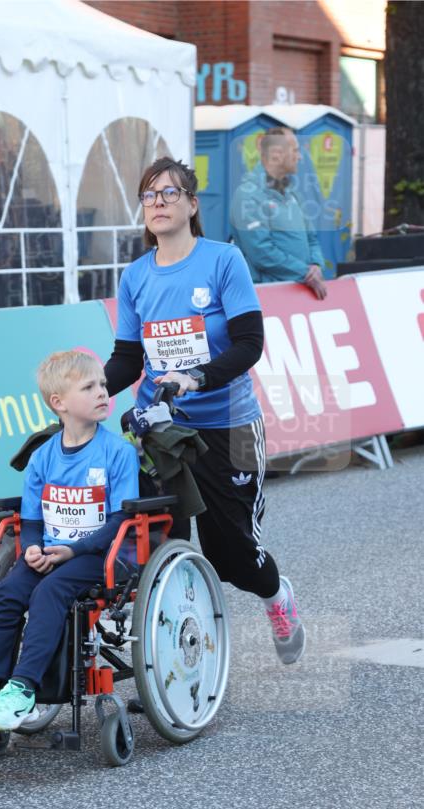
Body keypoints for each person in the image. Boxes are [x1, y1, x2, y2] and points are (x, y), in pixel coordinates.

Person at [104, 155, 306, 668]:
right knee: (154, 540)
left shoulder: (222, 260)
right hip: (162, 428)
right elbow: (129, 359)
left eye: (169, 193)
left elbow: (249, 343)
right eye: (149, 195)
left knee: (231, 557)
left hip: (230, 425)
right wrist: (89, 392)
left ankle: (275, 596)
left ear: (192, 205)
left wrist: (197, 377)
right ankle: (172, 648)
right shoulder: (135, 276)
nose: (158, 203)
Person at [0, 350, 139, 738]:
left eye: (103, 385)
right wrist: (31, 547)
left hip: (99, 555)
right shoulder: (43, 457)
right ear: (58, 404)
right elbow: (31, 520)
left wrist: (72, 550)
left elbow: (119, 521)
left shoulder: (118, 453)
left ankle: (22, 690)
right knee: (4, 595)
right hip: (49, 552)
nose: (102, 393)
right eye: (89, 387)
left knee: (49, 593)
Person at [230, 127, 327, 300]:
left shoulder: (293, 193)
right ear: (276, 154)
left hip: (300, 292)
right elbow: (261, 252)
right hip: (267, 297)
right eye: (295, 150)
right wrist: (305, 272)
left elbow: (311, 237)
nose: (300, 156)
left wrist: (316, 265)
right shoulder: (248, 195)